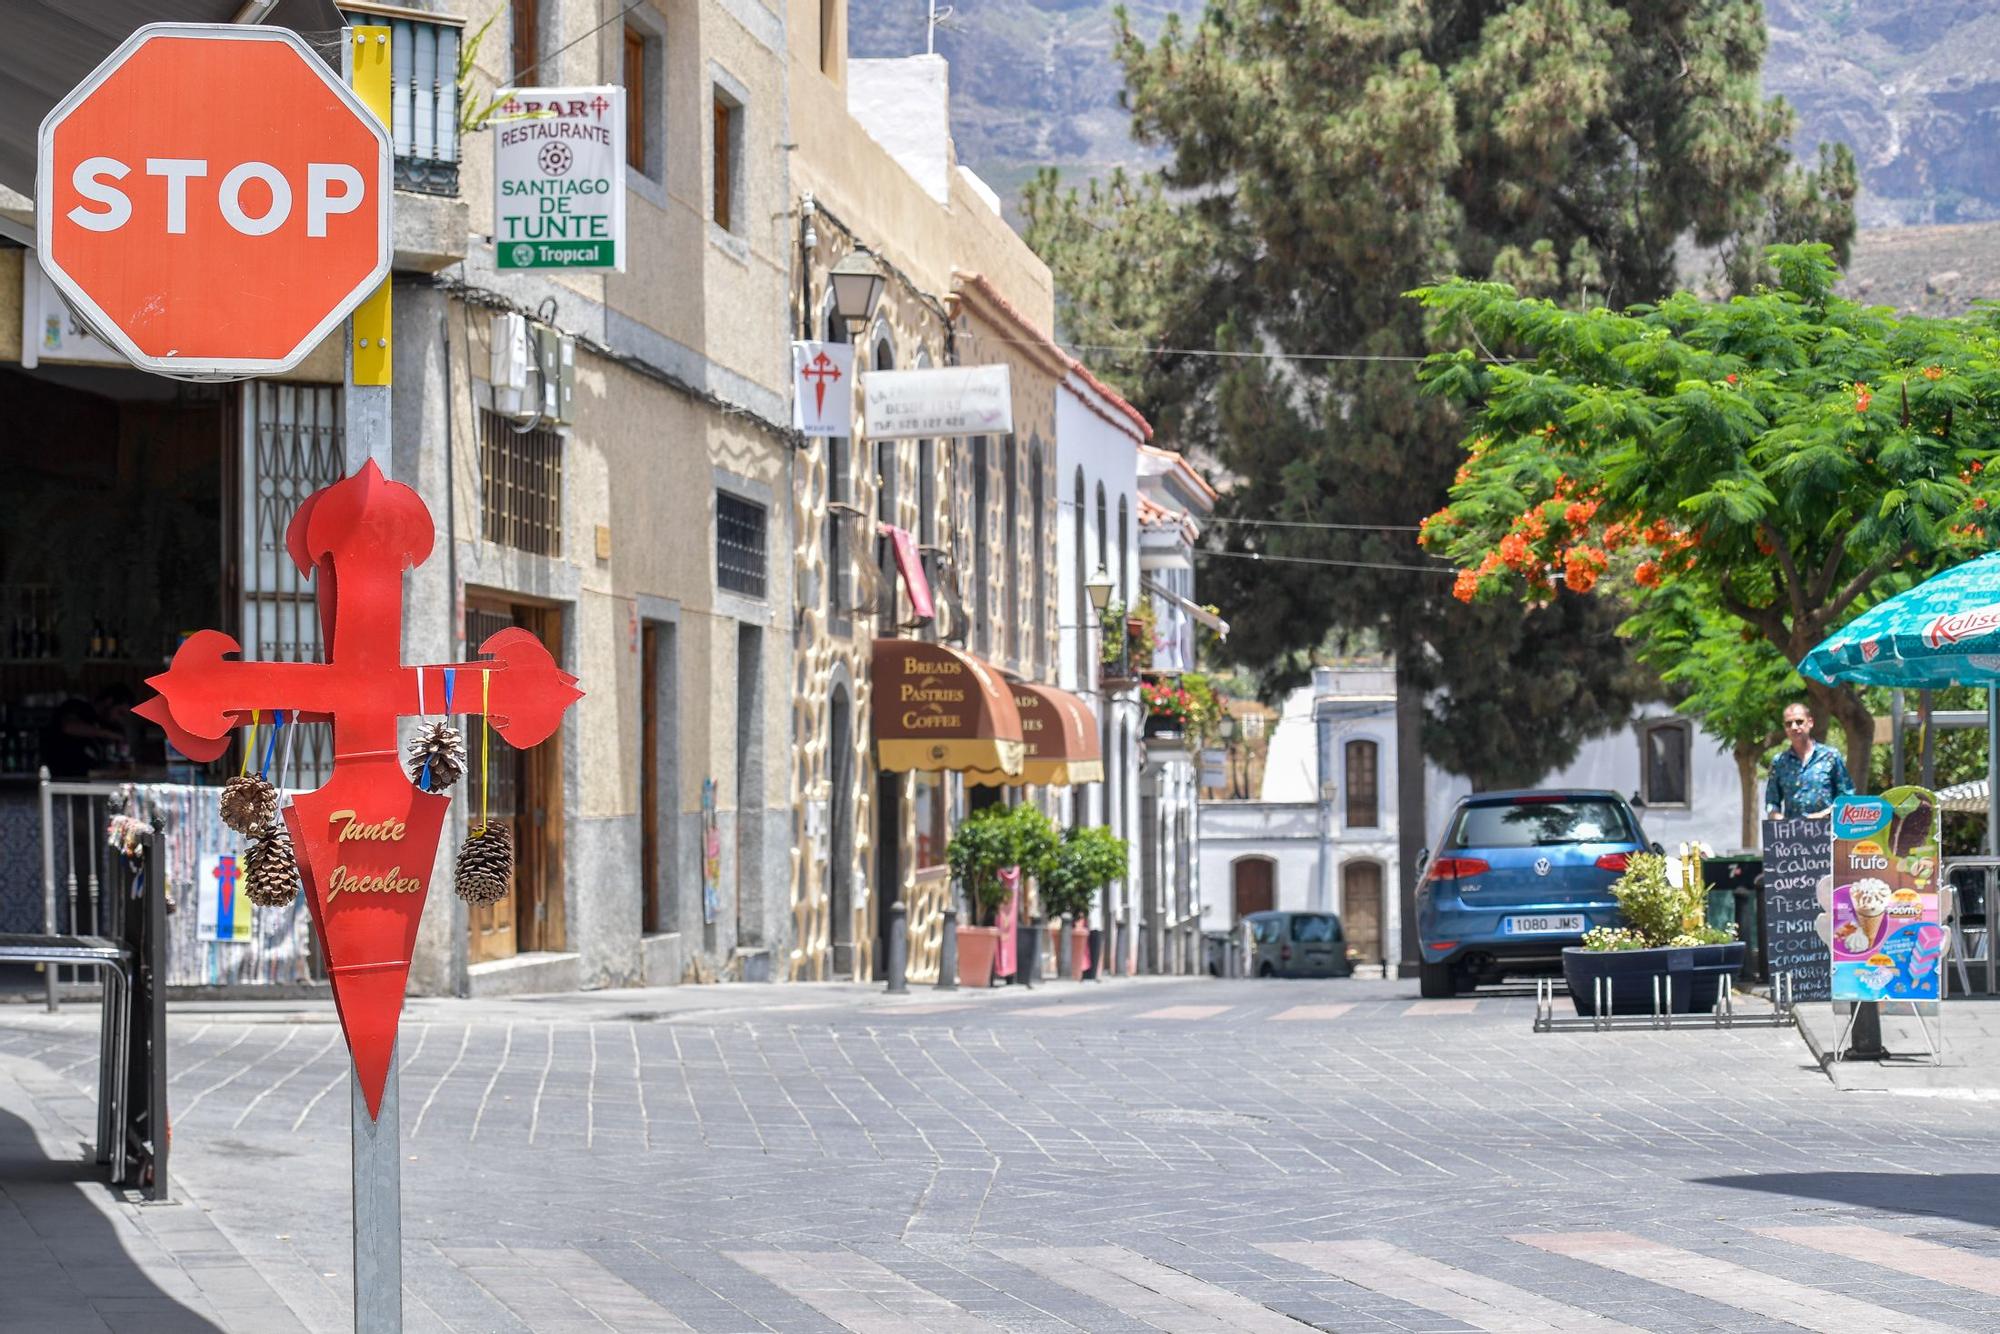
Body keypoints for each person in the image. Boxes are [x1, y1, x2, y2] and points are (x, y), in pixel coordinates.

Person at [1763, 702, 1855, 819]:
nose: (1794, 727)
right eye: (1788, 724)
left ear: (1810, 722)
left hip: (1829, 831)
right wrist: (1779, 818)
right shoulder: (1779, 762)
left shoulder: (1831, 756)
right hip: (1793, 834)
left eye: (1799, 722)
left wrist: (1824, 814)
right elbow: (1772, 802)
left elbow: (1847, 795)